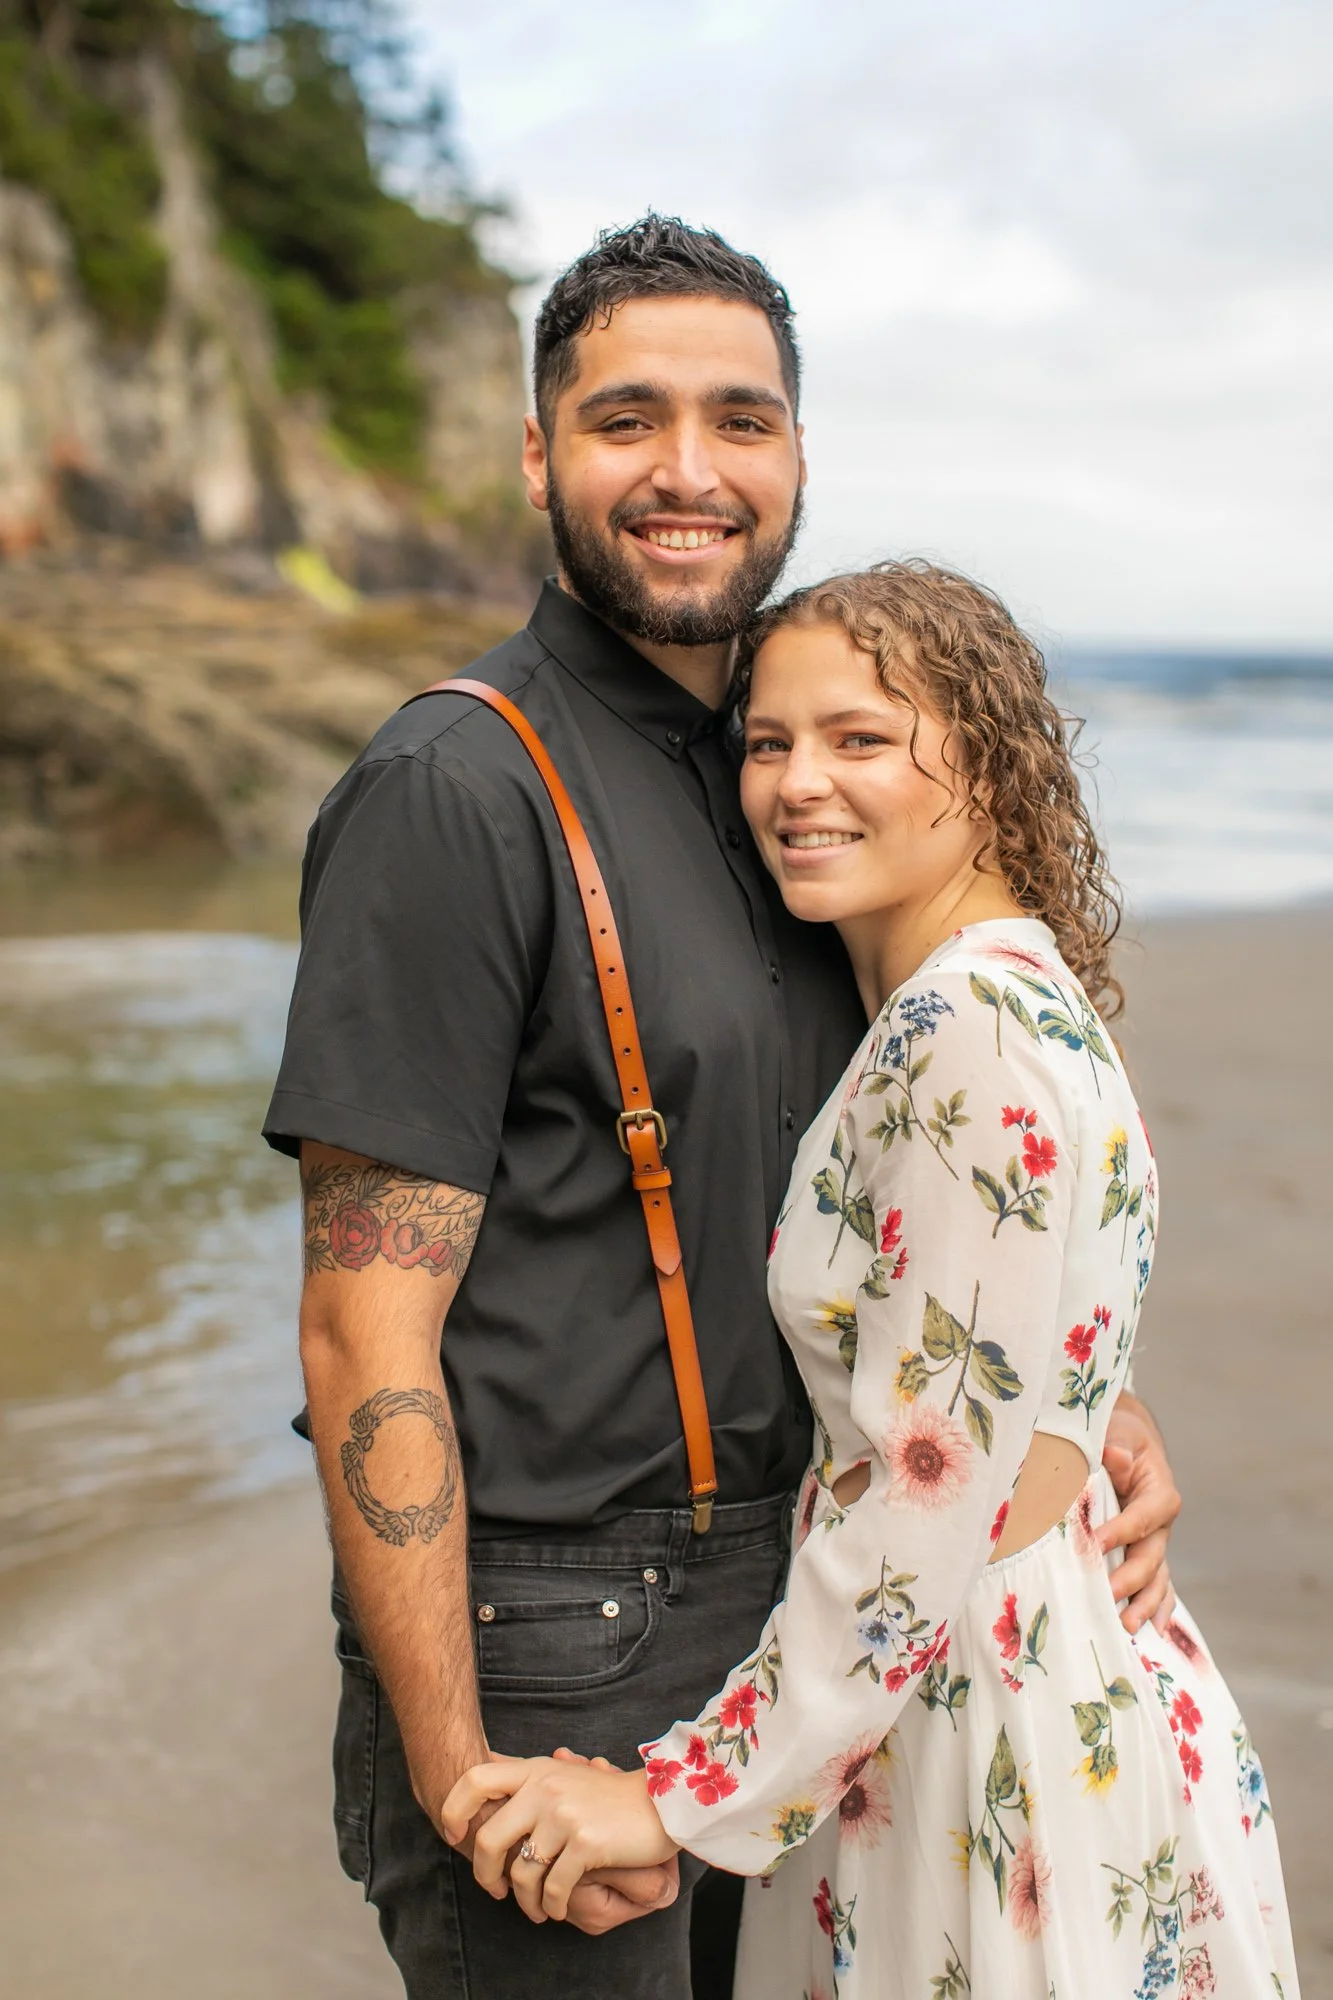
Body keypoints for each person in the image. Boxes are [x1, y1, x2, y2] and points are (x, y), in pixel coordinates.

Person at [263, 217, 1183, 2000]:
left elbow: (917, 1171)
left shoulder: (801, 779)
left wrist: (1073, 1399)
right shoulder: (454, 790)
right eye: (627, 420)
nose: (689, 470)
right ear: (541, 455)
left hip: (808, 1607)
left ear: (798, 456)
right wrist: (458, 1770)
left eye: (741, 420)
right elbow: (358, 1331)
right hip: (550, 1628)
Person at [442, 563, 1300, 1999]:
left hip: (981, 1709)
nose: (795, 784)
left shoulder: (964, 1028)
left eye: (860, 738)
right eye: (768, 743)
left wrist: (675, 1798)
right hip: (1044, 1655)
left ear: (986, 755)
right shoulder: (1018, 992)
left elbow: (923, 1490)